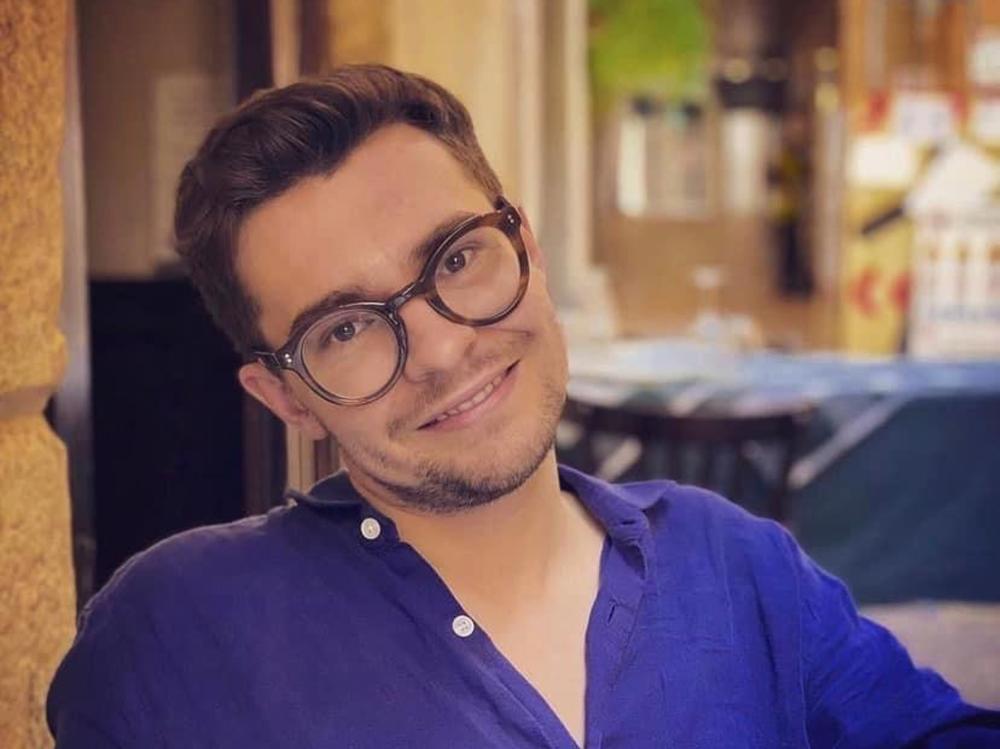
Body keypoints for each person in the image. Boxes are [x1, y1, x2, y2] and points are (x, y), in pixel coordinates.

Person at [47, 64, 999, 748]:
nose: (442, 348)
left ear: (528, 250)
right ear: (286, 394)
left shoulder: (740, 567)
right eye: (347, 327)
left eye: (457, 257)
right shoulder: (176, 635)